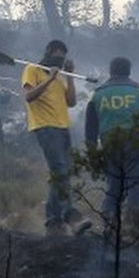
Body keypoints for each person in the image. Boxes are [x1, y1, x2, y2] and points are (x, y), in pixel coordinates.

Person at [84, 57, 139, 234]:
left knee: (113, 187)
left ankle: (108, 227)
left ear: (111, 71)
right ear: (129, 71)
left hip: (109, 143)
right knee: (136, 185)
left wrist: (92, 152)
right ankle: (137, 230)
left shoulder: (97, 94)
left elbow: (90, 128)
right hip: (135, 142)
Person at [22, 39, 90, 235]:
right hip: (46, 128)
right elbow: (28, 96)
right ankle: (71, 216)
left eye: (63, 59)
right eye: (57, 57)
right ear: (48, 53)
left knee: (61, 174)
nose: (60, 61)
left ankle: (53, 222)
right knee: (60, 171)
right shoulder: (32, 69)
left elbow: (71, 102)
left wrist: (68, 78)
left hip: (63, 129)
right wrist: (49, 79)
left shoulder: (60, 78)